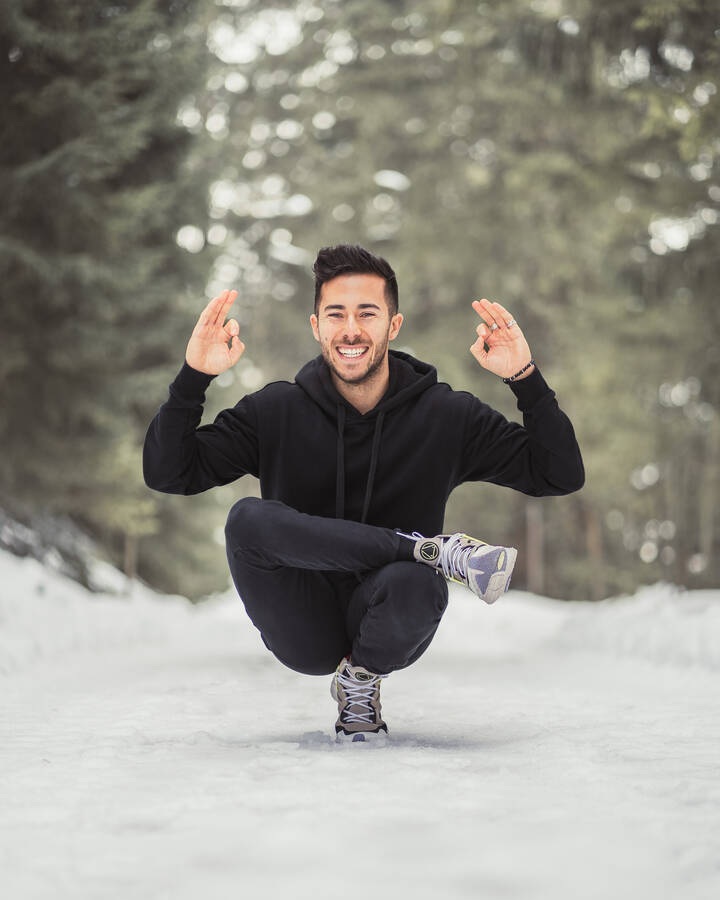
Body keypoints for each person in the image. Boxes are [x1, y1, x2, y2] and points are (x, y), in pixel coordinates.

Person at [143, 244, 584, 743]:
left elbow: (558, 474)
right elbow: (169, 472)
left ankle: (362, 678)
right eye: (336, 314)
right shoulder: (276, 410)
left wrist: (524, 379)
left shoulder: (445, 417)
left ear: (393, 326)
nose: (351, 329)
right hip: (302, 622)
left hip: (394, 612)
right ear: (316, 326)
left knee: (417, 582)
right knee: (247, 519)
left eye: (367, 313)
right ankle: (432, 552)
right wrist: (193, 378)